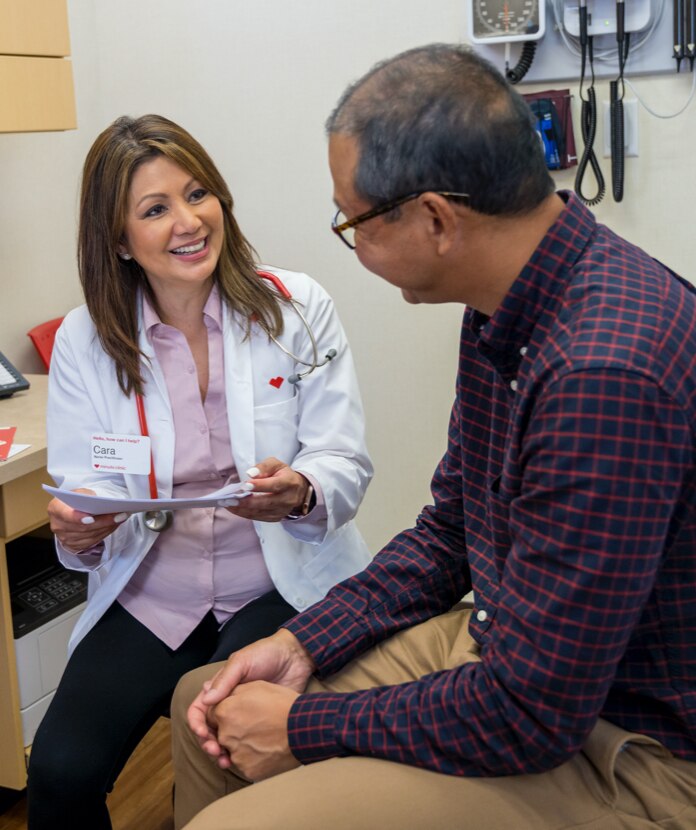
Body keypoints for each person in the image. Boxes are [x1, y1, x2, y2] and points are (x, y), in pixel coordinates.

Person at [170, 43, 696, 830]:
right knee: (205, 704)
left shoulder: (602, 373)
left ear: (436, 219)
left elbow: (531, 711)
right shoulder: (505, 306)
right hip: (515, 652)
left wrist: (302, 731)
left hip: (626, 741)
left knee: (234, 816)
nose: (352, 244)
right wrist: (306, 642)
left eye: (353, 222)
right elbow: (450, 532)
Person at [26, 113, 373, 830]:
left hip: (278, 582)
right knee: (58, 772)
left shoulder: (296, 308)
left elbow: (344, 461)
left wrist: (301, 491)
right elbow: (78, 504)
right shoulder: (86, 342)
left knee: (226, 751)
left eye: (198, 194)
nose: (189, 221)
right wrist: (82, 532)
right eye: (155, 210)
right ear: (118, 240)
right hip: (153, 592)